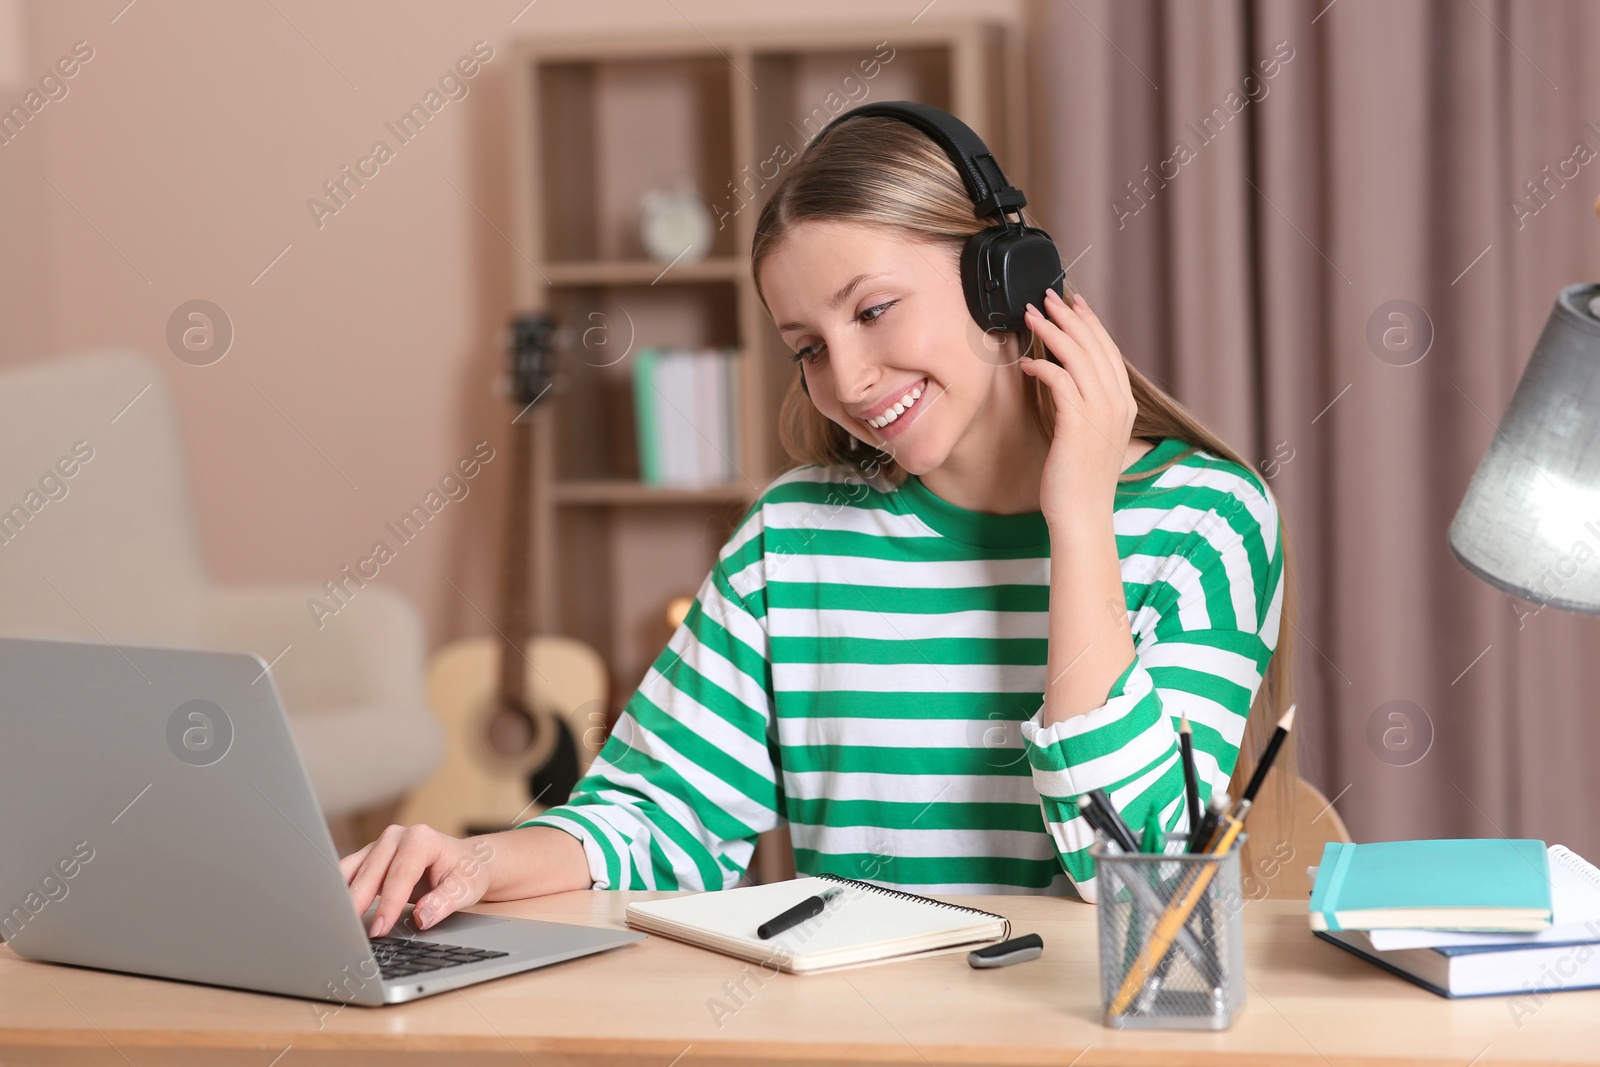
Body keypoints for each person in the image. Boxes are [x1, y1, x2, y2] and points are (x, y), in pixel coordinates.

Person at [342, 113, 1299, 939]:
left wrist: (1079, 516)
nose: (847, 380)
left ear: (1002, 280)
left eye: (874, 311)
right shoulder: (793, 537)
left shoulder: (1204, 520)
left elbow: (1143, 877)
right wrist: (474, 862)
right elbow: (658, 816)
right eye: (809, 347)